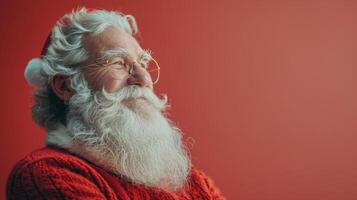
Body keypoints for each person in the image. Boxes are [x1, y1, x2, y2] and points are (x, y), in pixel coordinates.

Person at [6, 7, 225, 200]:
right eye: (119, 63)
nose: (144, 79)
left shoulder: (192, 179)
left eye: (142, 63)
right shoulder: (45, 173)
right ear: (65, 86)